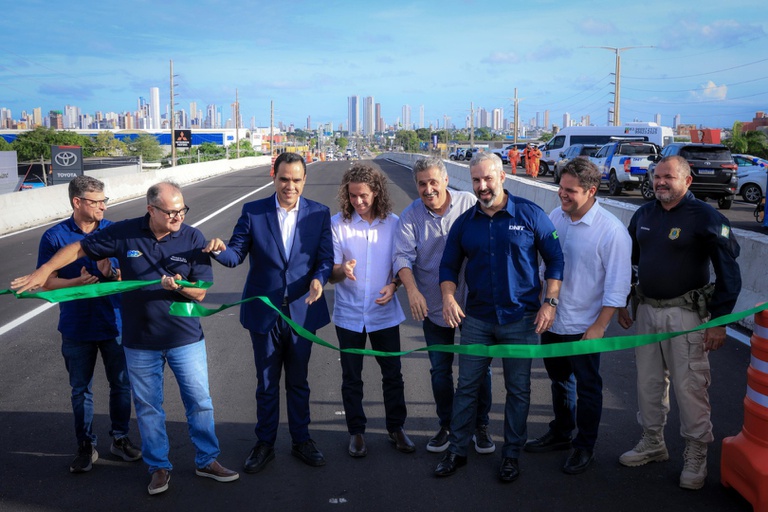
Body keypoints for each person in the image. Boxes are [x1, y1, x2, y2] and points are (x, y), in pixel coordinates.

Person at [12, 181, 239, 495]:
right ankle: (158, 467)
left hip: (185, 338)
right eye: (171, 212)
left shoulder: (192, 237)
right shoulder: (124, 232)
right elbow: (80, 248)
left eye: (181, 210)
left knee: (200, 402)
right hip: (139, 340)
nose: (178, 217)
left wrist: (178, 287)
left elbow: (200, 292)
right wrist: (44, 271)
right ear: (151, 210)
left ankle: (208, 460)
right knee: (148, 408)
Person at [434, 152, 564, 483]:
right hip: (476, 319)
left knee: (518, 390)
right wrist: (449, 296)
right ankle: (457, 451)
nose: (481, 186)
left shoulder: (531, 214)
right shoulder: (465, 223)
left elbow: (556, 260)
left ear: (502, 177)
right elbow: (448, 266)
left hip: (521, 320)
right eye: (476, 180)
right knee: (467, 387)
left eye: (488, 178)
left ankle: (511, 455)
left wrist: (550, 302)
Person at [616, 155, 741, 490]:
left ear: (687, 181)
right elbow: (629, 262)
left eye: (668, 177)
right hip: (647, 312)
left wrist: (719, 320)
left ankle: (696, 453)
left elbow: (729, 270)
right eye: (656, 176)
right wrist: (625, 301)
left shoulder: (705, 216)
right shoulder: (643, 214)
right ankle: (653, 442)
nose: (660, 182)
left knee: (689, 388)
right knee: (648, 383)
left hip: (685, 316)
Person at [204, 152, 333, 474]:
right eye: (284, 179)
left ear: (305, 179)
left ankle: (302, 440)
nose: (290, 186)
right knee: (266, 382)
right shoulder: (254, 211)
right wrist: (220, 250)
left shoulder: (319, 213)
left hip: (303, 311)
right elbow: (235, 255)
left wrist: (318, 279)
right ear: (273, 177)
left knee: (299, 381)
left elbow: (326, 258)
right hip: (264, 312)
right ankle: (264, 443)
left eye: (296, 180)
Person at [524, 159, 631, 474]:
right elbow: (544, 265)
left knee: (587, 387)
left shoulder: (611, 232)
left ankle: (585, 446)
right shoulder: (557, 216)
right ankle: (561, 432)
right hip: (552, 319)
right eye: (561, 188)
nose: (562, 195)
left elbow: (617, 286)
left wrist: (599, 327)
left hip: (585, 327)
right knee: (558, 381)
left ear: (591, 191)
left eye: (570, 191)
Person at [36, 176, 140, 474]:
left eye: (104, 200)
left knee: (121, 384)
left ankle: (120, 438)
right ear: (77, 202)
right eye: (96, 202)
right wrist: (76, 282)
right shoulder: (55, 237)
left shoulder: (114, 231)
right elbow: (44, 282)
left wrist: (113, 273)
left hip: (115, 323)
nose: (103, 207)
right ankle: (85, 444)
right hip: (76, 325)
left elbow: (132, 276)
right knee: (80, 389)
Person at [393, 157, 495, 455]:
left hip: (473, 305)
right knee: (440, 371)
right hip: (434, 307)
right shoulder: (410, 216)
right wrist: (411, 291)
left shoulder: (469, 205)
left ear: (446, 180)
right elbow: (401, 257)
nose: (428, 189)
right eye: (422, 184)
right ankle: (448, 425)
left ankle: (481, 425)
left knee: (480, 369)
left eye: (433, 182)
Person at [330, 164, 414, 458]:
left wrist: (394, 286)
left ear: (376, 193)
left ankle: (396, 428)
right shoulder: (338, 224)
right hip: (349, 314)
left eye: (363, 195)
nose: (358, 202)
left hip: (384, 314)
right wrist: (344, 270)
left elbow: (401, 264)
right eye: (352, 196)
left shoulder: (394, 224)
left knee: (393, 374)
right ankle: (356, 433)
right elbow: (331, 272)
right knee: (351, 376)